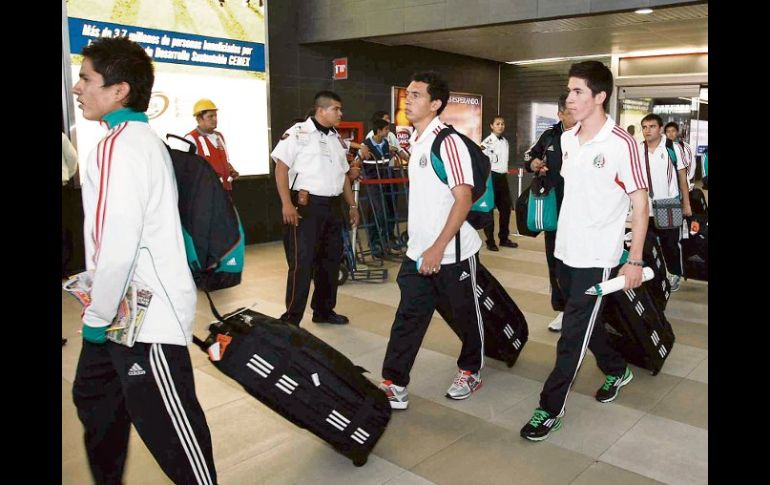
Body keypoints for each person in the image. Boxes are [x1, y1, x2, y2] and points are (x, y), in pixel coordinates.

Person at [71, 36, 217, 484]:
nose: (77, 88)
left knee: (174, 434)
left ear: (119, 91)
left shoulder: (121, 147)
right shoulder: (127, 140)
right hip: (121, 310)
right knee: (94, 397)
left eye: (86, 78)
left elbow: (118, 241)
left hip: (146, 319)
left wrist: (97, 314)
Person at [520, 60, 649, 442]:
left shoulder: (622, 145)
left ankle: (550, 408)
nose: (570, 97)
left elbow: (640, 205)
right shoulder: (565, 139)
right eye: (569, 90)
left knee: (572, 334)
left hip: (597, 257)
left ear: (600, 97)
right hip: (565, 251)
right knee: (583, 321)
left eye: (577, 91)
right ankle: (616, 367)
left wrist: (635, 259)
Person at [380, 71, 485, 409]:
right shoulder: (417, 140)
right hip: (419, 252)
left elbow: (463, 197)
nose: (407, 100)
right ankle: (394, 382)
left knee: (465, 315)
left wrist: (439, 247)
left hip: (452, 252)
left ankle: (470, 369)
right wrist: (424, 246)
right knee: (408, 317)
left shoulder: (447, 141)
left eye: (416, 95)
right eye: (407, 94)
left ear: (436, 103)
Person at [271, 91, 360, 326]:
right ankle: (291, 318)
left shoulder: (335, 138)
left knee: (330, 261)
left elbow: (343, 177)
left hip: (332, 207)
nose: (340, 114)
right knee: (302, 264)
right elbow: (281, 169)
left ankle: (324, 310)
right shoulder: (297, 133)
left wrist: (351, 205)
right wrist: (286, 204)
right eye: (336, 109)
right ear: (321, 110)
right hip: (305, 207)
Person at [524, 94, 576, 332]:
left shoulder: (588, 136)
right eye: (570, 111)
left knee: (579, 263)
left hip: (581, 211)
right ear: (560, 114)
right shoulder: (550, 136)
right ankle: (563, 311)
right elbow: (530, 156)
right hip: (553, 209)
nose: (575, 114)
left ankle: (583, 310)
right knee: (555, 262)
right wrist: (534, 163)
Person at [641, 114, 692, 292]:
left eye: (652, 126)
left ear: (660, 128)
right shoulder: (639, 149)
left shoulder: (672, 148)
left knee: (670, 244)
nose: (648, 130)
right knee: (646, 245)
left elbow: (682, 178)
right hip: (644, 207)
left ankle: (674, 274)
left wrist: (686, 204)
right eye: (645, 127)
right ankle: (651, 277)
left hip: (668, 204)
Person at [186, 98, 239, 197]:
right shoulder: (191, 138)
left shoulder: (219, 136)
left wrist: (230, 170)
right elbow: (187, 169)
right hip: (205, 194)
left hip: (225, 192)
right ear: (199, 119)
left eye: (215, 116)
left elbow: (222, 161)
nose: (214, 119)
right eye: (210, 116)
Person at [480, 115, 518, 251]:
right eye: (497, 124)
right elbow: (481, 157)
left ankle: (504, 238)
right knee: (489, 210)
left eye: (502, 123)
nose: (500, 126)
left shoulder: (505, 141)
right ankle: (490, 240)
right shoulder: (488, 142)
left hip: (503, 177)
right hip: (492, 177)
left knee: (506, 209)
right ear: (491, 126)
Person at [362, 118, 397, 252]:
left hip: (386, 181)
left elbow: (394, 152)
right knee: (379, 211)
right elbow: (357, 162)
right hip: (373, 183)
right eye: (386, 129)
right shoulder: (365, 145)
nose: (388, 132)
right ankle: (375, 242)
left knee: (387, 211)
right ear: (378, 131)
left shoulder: (386, 144)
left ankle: (385, 240)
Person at [664, 121, 696, 191]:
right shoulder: (662, 147)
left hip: (682, 183)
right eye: (668, 131)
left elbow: (691, 163)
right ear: (665, 133)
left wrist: (687, 178)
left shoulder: (686, 146)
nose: (670, 134)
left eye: (673, 131)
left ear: (677, 132)